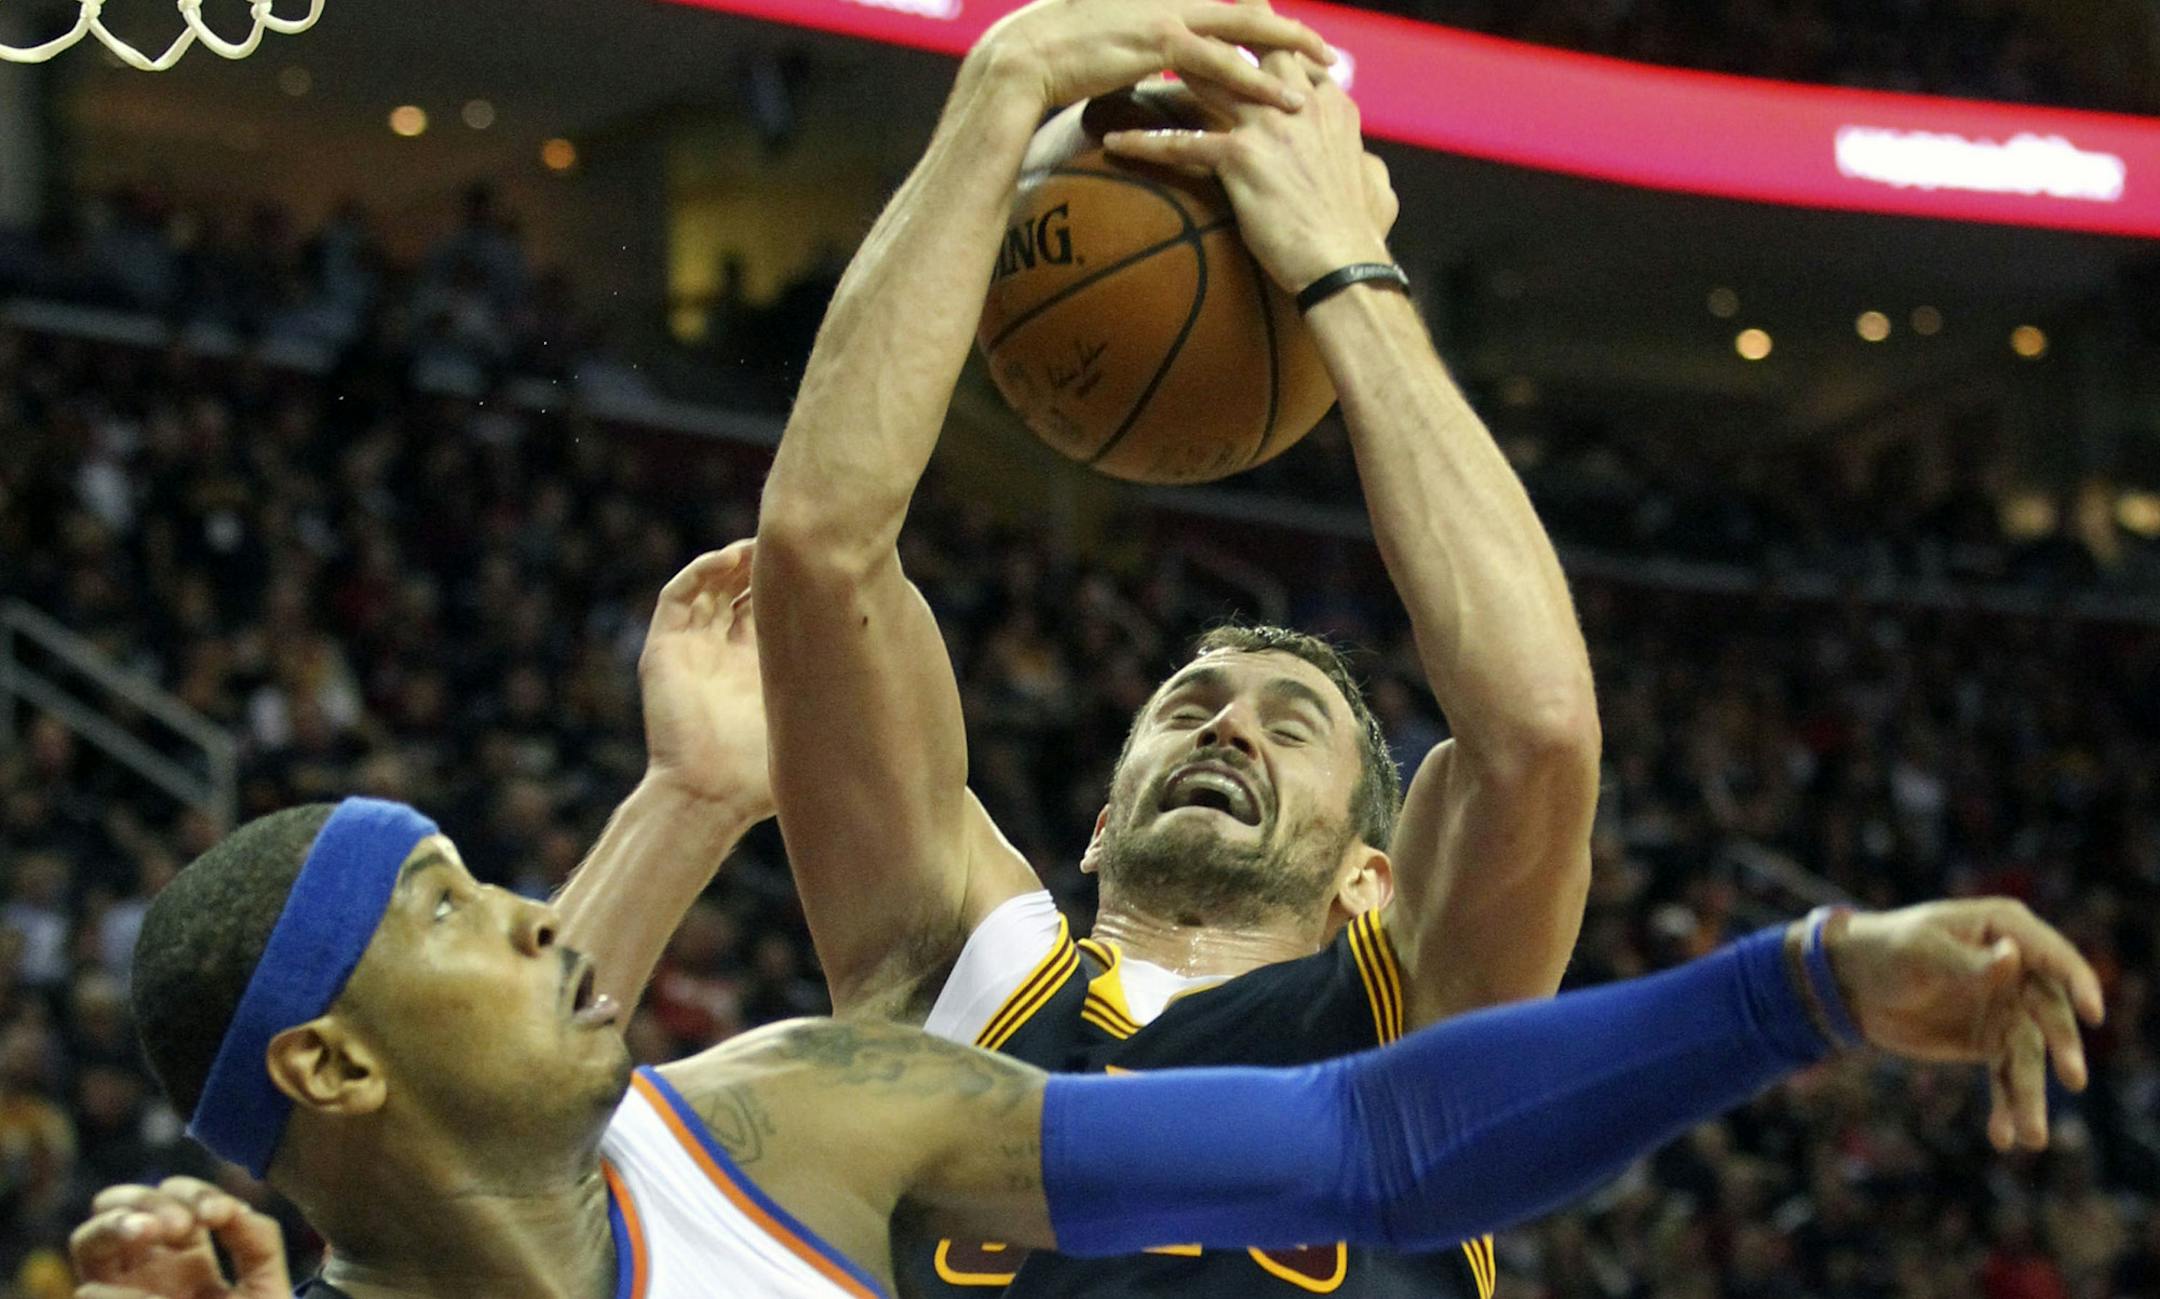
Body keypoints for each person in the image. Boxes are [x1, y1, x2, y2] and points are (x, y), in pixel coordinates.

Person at [752, 0, 1597, 1290]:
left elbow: (1535, 732)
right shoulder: (960, 978)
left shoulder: (1419, 1031)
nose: (1228, 724)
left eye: (1289, 722)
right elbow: (820, 553)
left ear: (1370, 880)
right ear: (1096, 829)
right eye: (1191, 702)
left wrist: (1336, 263)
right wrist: (1004, 89)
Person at [66, 791, 2102, 1299]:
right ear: (328, 1068)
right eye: (441, 905)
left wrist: (1799, 983)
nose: (533, 907)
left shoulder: (791, 1113)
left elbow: (1359, 1146)